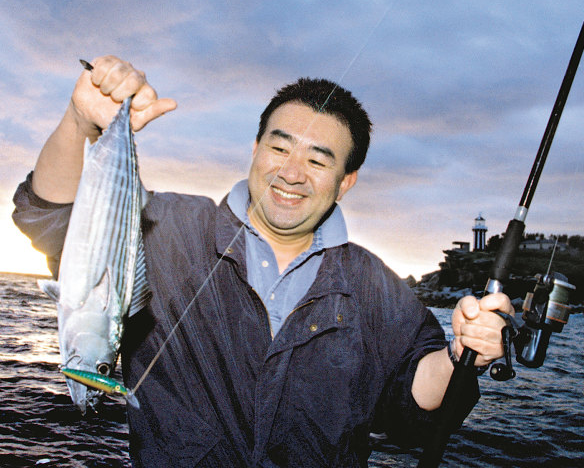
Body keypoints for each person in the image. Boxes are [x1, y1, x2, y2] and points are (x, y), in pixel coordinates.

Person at [13, 56, 513, 467]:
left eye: (318, 161)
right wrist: (82, 120)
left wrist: (461, 353)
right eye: (279, 147)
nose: (292, 173)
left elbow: (413, 404)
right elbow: (52, 215)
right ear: (254, 149)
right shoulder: (169, 229)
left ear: (346, 182)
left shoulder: (376, 285)